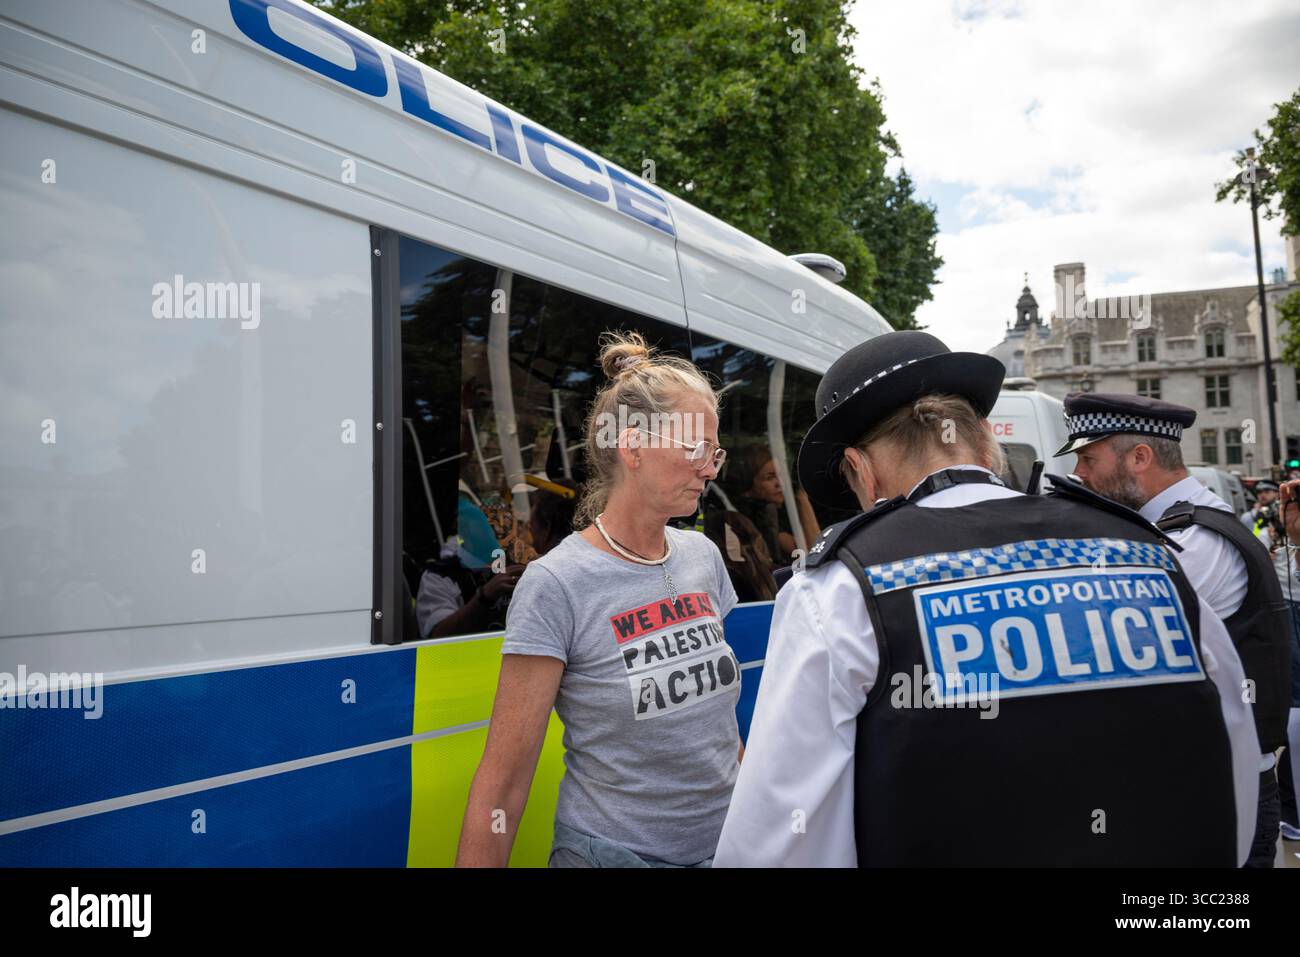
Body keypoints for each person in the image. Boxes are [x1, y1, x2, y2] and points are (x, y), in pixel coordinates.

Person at [714, 331, 1258, 867]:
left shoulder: (839, 590)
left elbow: (781, 840)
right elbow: (1234, 760)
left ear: (860, 468)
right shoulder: (1151, 555)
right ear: (986, 445)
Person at [456, 330, 741, 868]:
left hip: (726, 849)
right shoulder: (558, 582)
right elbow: (504, 780)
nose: (710, 468)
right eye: (696, 448)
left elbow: (718, 730)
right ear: (633, 446)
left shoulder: (702, 558)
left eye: (715, 451)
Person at [1058, 393, 1292, 868]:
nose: (1078, 474)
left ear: (1140, 457)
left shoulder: (1195, 541)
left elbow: (1098, 645)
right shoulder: (1164, 529)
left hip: (1217, 793)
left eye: (1088, 458)